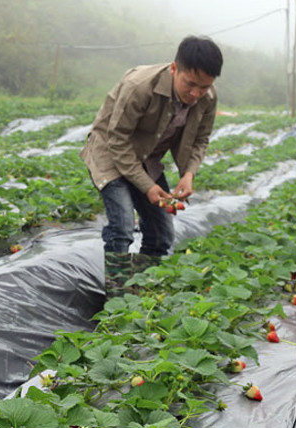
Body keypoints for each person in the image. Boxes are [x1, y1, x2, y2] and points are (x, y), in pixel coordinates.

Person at [80, 35, 223, 298]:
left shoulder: (207, 97)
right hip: (110, 154)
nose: (196, 94)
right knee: (122, 225)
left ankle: (143, 290)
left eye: (203, 87)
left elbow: (201, 140)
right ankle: (117, 300)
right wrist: (147, 186)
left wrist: (188, 173)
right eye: (190, 84)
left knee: (161, 234)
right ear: (173, 68)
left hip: (147, 158)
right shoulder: (139, 86)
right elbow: (118, 140)